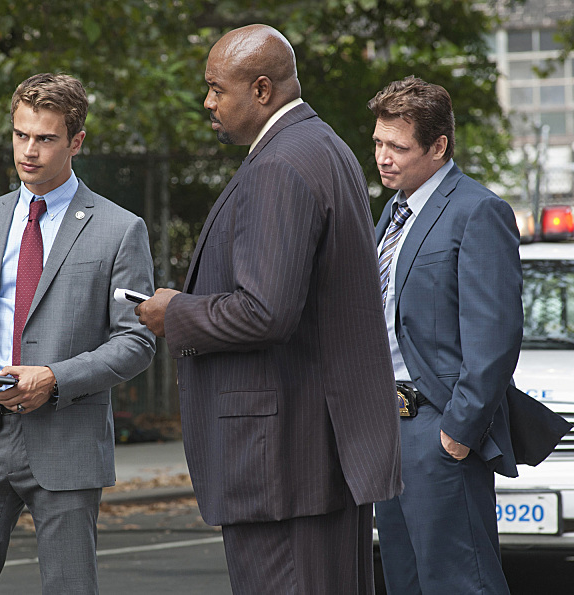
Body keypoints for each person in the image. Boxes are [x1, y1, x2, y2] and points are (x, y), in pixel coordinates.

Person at [135, 25, 402, 594]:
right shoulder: (323, 145)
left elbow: (264, 312)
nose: (207, 101)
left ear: (261, 90)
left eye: (215, 88)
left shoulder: (280, 166)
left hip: (282, 465)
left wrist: (174, 313)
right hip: (312, 456)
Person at [0, 72, 156, 594]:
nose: (29, 151)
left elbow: (136, 342)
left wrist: (55, 376)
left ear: (76, 141)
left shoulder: (119, 229)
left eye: (45, 138)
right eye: (21, 134)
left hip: (65, 436)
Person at [369, 76, 523, 594]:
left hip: (439, 428)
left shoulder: (477, 210)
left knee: (462, 583)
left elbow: (495, 337)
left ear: (439, 146)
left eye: (398, 146)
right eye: (377, 143)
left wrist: (458, 433)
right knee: (405, 580)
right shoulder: (393, 211)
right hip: (389, 429)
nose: (384, 157)